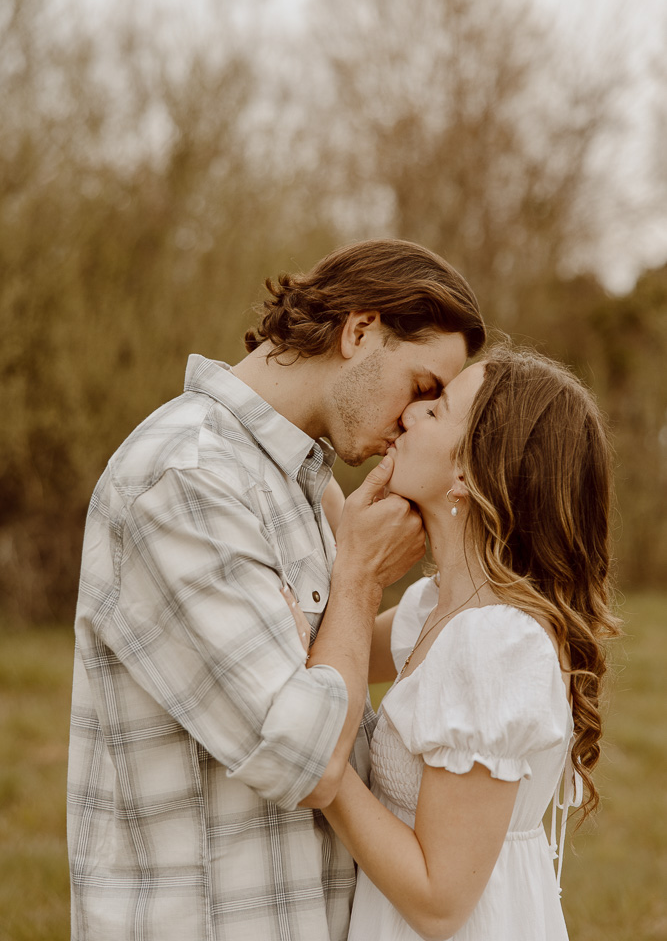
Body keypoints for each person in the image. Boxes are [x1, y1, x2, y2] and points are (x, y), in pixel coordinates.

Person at [67, 238, 485, 940]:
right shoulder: (187, 477)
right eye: (421, 388)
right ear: (359, 331)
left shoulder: (301, 480)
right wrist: (356, 578)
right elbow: (305, 758)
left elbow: (329, 680)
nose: (416, 420)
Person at [295, 345, 621, 941]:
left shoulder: (493, 644)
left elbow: (439, 903)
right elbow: (328, 647)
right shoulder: (435, 609)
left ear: (471, 472)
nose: (412, 414)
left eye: (439, 410)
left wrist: (323, 763)